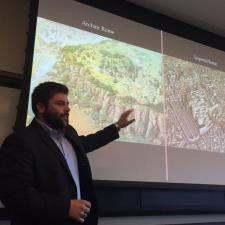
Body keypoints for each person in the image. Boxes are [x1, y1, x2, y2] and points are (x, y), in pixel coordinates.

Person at [0, 82, 135, 225]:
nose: (67, 108)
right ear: (40, 107)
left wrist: (117, 126)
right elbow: (15, 194)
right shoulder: (20, 141)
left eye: (67, 104)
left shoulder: (69, 132)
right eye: (60, 104)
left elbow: (88, 142)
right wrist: (66, 207)